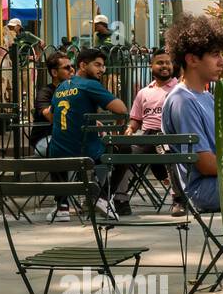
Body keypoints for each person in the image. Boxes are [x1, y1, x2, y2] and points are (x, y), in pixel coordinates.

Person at [161, 13, 223, 218]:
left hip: (219, 183)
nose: (222, 61)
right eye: (215, 54)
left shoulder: (206, 97)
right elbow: (206, 164)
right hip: (204, 190)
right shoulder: (182, 101)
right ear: (192, 59)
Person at [46, 47, 128, 221]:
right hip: (85, 153)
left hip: (58, 153)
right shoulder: (90, 85)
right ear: (83, 65)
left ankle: (62, 207)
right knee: (126, 150)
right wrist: (117, 127)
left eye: (103, 66)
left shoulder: (61, 87)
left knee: (54, 147)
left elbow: (52, 116)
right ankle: (104, 198)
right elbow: (122, 109)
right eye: (97, 65)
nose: (101, 69)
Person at [108, 49, 179, 215]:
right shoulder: (143, 92)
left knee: (171, 152)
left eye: (167, 63)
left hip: (169, 136)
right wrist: (130, 129)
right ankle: (120, 200)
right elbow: (136, 119)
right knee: (122, 154)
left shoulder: (179, 89)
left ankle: (178, 199)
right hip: (146, 137)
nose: (165, 66)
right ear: (151, 66)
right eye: (160, 63)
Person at [32, 51, 74, 156]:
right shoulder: (45, 93)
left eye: (72, 66)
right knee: (70, 149)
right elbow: (50, 116)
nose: (72, 70)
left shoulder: (75, 90)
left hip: (69, 136)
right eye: (67, 68)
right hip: (46, 138)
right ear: (54, 73)